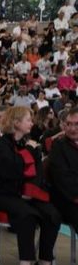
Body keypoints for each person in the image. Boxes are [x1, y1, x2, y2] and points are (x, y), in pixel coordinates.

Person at [0, 106, 63, 265]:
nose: (32, 123)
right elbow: (9, 171)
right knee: (27, 215)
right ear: (16, 123)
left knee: (53, 214)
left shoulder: (30, 143)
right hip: (2, 193)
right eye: (28, 119)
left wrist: (32, 191)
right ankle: (25, 264)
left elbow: (36, 173)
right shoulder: (0, 145)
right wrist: (28, 153)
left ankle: (44, 261)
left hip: (25, 193)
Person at [48, 107, 78, 253]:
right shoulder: (58, 146)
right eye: (69, 124)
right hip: (66, 199)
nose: (72, 128)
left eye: (77, 124)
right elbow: (63, 179)